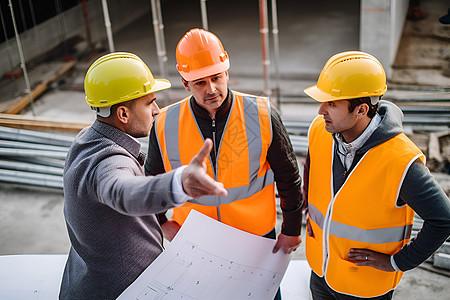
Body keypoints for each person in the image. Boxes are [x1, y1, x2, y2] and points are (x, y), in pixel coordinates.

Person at [144, 28, 303, 299]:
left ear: (226, 72)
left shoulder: (262, 115)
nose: (211, 89)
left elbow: (289, 177)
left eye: (216, 78)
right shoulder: (164, 123)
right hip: (196, 240)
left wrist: (291, 230)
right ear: (185, 83)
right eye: (200, 83)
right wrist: (161, 221)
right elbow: (151, 181)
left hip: (256, 239)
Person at [59, 52, 227, 299]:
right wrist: (178, 184)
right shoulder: (109, 161)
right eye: (149, 103)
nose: (157, 110)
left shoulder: (87, 140)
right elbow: (124, 192)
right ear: (123, 114)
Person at [302, 50, 450, 299]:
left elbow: (443, 219)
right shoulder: (320, 131)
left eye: (332, 104)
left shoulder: (401, 160)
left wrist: (397, 263)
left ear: (360, 110)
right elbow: (311, 176)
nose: (320, 111)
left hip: (364, 286)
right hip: (321, 272)